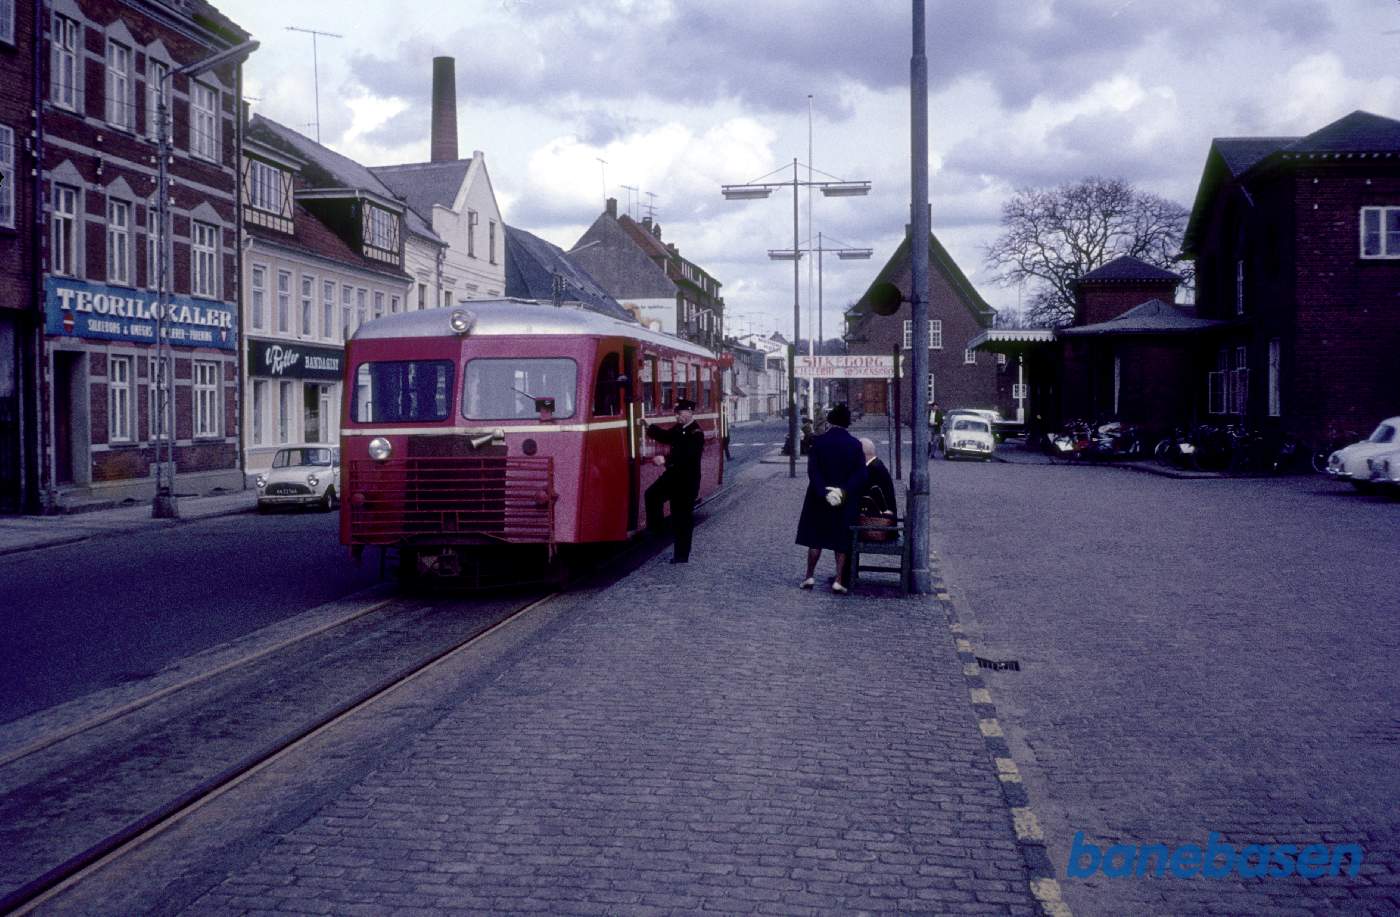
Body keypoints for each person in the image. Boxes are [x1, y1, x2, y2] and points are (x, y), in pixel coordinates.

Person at [795, 404, 867, 593]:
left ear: (831, 421)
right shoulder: (855, 444)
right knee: (841, 540)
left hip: (819, 498)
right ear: (847, 423)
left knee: (815, 539)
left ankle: (809, 577)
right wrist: (842, 491)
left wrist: (824, 492)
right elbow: (861, 474)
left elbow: (813, 471)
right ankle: (838, 579)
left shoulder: (819, 442)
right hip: (844, 500)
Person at [645, 397, 705, 564]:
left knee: (682, 519)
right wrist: (649, 426)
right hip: (672, 477)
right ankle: (657, 531)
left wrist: (665, 460)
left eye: (680, 414)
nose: (677, 417)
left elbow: (687, 457)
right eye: (676, 414)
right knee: (651, 495)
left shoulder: (696, 433)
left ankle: (681, 556)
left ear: (690, 412)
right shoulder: (680, 428)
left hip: (686, 482)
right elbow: (666, 436)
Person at [858, 438, 897, 519]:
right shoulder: (876, 464)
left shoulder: (873, 469)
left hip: (880, 520)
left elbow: (862, 492)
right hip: (882, 516)